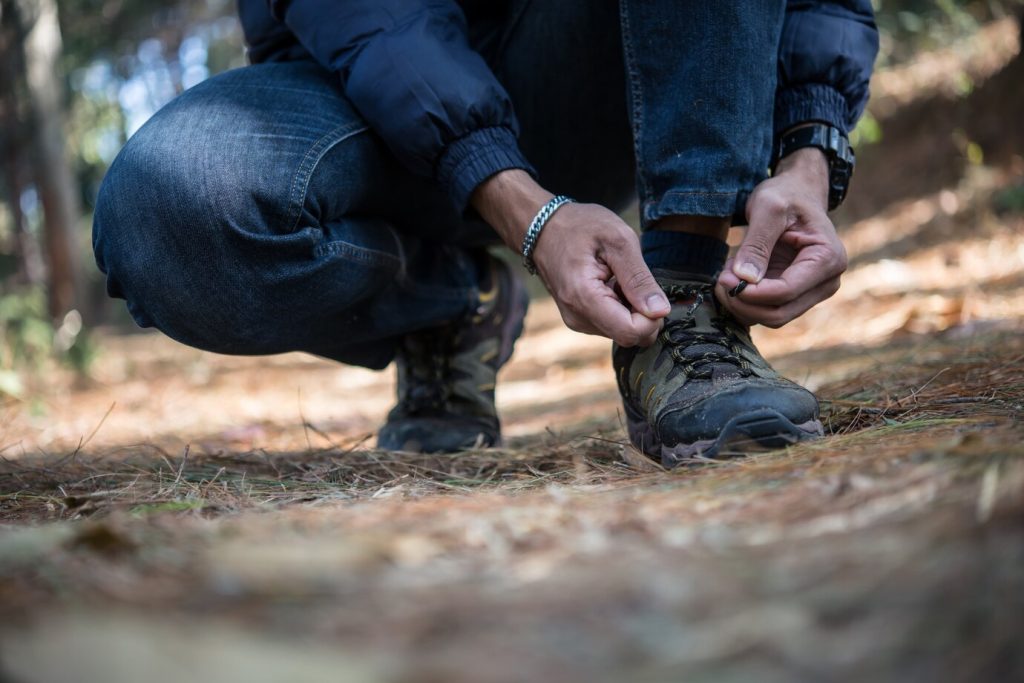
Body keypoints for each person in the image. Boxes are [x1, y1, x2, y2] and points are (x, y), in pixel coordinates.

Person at [92, 1, 879, 467]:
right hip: (367, 91)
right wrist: (520, 205)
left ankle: (683, 298)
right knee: (161, 210)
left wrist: (809, 148)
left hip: (608, 71)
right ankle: (452, 302)